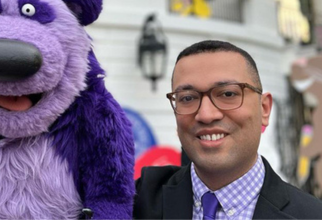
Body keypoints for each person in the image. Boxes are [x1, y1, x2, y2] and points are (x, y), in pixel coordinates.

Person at [133, 40, 322, 219]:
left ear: (264, 109)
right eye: (188, 98)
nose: (206, 115)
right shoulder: (139, 200)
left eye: (228, 94)